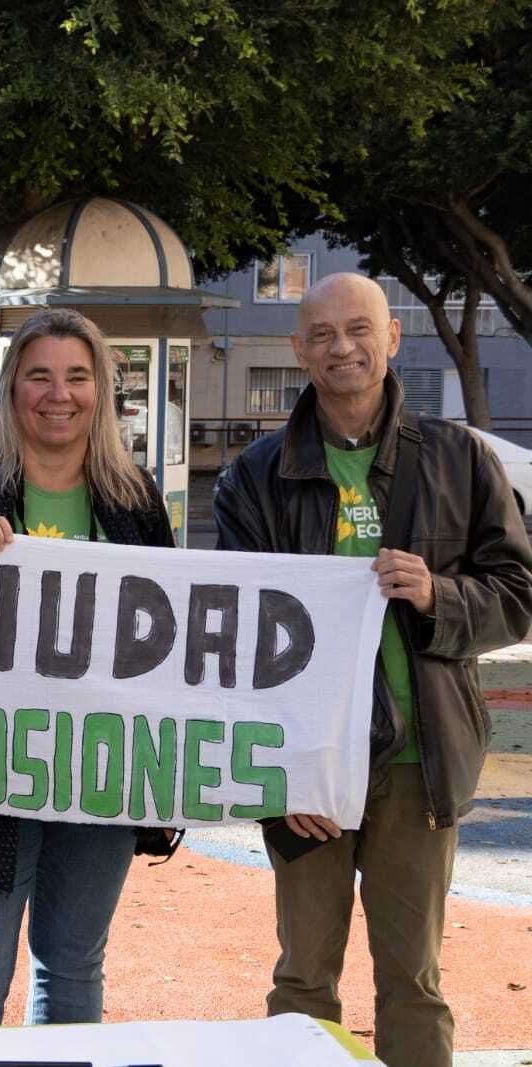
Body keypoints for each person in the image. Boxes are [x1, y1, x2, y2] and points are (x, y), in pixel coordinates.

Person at [213, 272, 532, 1067]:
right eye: (320, 334)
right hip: (307, 768)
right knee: (303, 976)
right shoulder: (254, 475)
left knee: (413, 982)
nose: (341, 347)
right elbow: (238, 632)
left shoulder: (460, 459)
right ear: (298, 350)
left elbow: (519, 594)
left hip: (420, 762)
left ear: (392, 338)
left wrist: (439, 594)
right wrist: (288, 770)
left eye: (359, 329)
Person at [0, 307, 174, 1027]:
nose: (60, 394)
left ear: (102, 390)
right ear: (11, 388)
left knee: (74, 961)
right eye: (40, 376)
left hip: (102, 769)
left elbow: (173, 639)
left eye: (78, 376)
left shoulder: (135, 498)